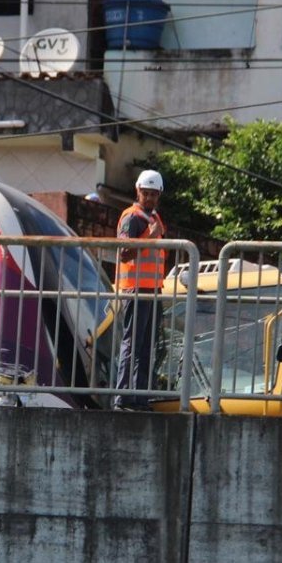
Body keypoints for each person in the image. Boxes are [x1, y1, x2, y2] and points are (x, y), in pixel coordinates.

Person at [113, 169, 167, 411]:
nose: (150, 198)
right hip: (135, 289)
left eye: (154, 194)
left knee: (146, 346)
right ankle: (123, 397)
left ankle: (140, 397)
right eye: (146, 193)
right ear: (138, 191)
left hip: (152, 289)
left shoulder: (154, 217)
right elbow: (124, 252)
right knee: (132, 343)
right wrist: (148, 236)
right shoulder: (132, 218)